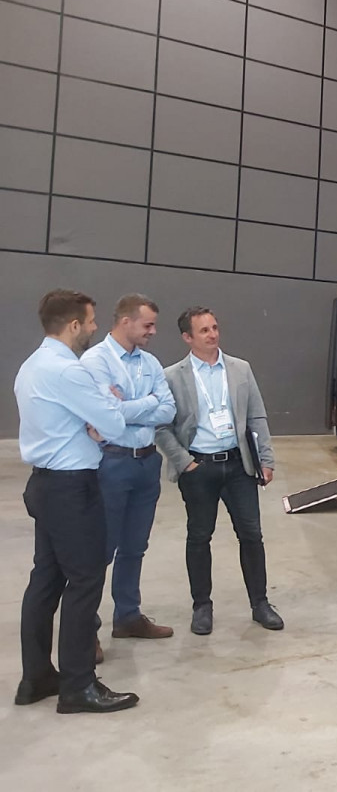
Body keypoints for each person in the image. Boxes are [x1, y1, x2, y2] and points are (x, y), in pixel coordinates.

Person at [14, 289, 139, 714]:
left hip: (45, 486)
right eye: (89, 322)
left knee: (46, 581)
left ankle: (36, 677)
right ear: (72, 326)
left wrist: (98, 417)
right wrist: (106, 411)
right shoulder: (68, 371)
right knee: (85, 582)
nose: (92, 328)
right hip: (72, 489)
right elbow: (114, 422)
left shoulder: (32, 366)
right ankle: (78, 686)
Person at [155, 307, 284, 634]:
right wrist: (185, 463)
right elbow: (161, 427)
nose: (212, 334)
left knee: (251, 535)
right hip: (199, 468)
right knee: (199, 536)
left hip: (238, 465)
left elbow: (257, 416)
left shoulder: (241, 369)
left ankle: (260, 603)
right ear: (187, 337)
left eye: (214, 327)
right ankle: (202, 606)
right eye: (204, 330)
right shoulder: (172, 376)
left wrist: (265, 460)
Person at [80, 294, 176, 642]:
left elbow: (167, 410)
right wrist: (145, 404)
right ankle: (85, 630)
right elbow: (108, 415)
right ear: (125, 321)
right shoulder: (96, 362)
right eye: (147, 324)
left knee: (135, 545)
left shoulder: (150, 363)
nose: (153, 331)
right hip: (111, 464)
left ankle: (128, 617)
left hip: (148, 463)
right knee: (101, 548)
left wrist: (131, 406)